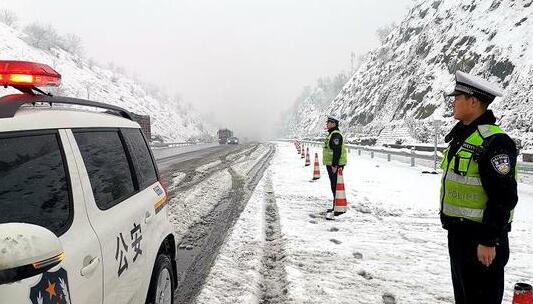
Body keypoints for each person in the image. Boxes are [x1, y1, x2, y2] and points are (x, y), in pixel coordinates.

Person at [441, 71, 518, 304]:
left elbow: (503, 196)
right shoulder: (463, 137)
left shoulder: (494, 141)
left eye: (458, 96)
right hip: (460, 236)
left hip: (482, 242)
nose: (453, 101)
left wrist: (488, 240)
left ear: (473, 101)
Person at [323, 115, 347, 220]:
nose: (326, 124)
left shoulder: (335, 134)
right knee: (334, 185)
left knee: (335, 185)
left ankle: (338, 207)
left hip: (335, 164)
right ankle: (335, 206)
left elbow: (337, 150)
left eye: (328, 122)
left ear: (333, 124)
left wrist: (334, 165)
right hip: (333, 164)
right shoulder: (332, 134)